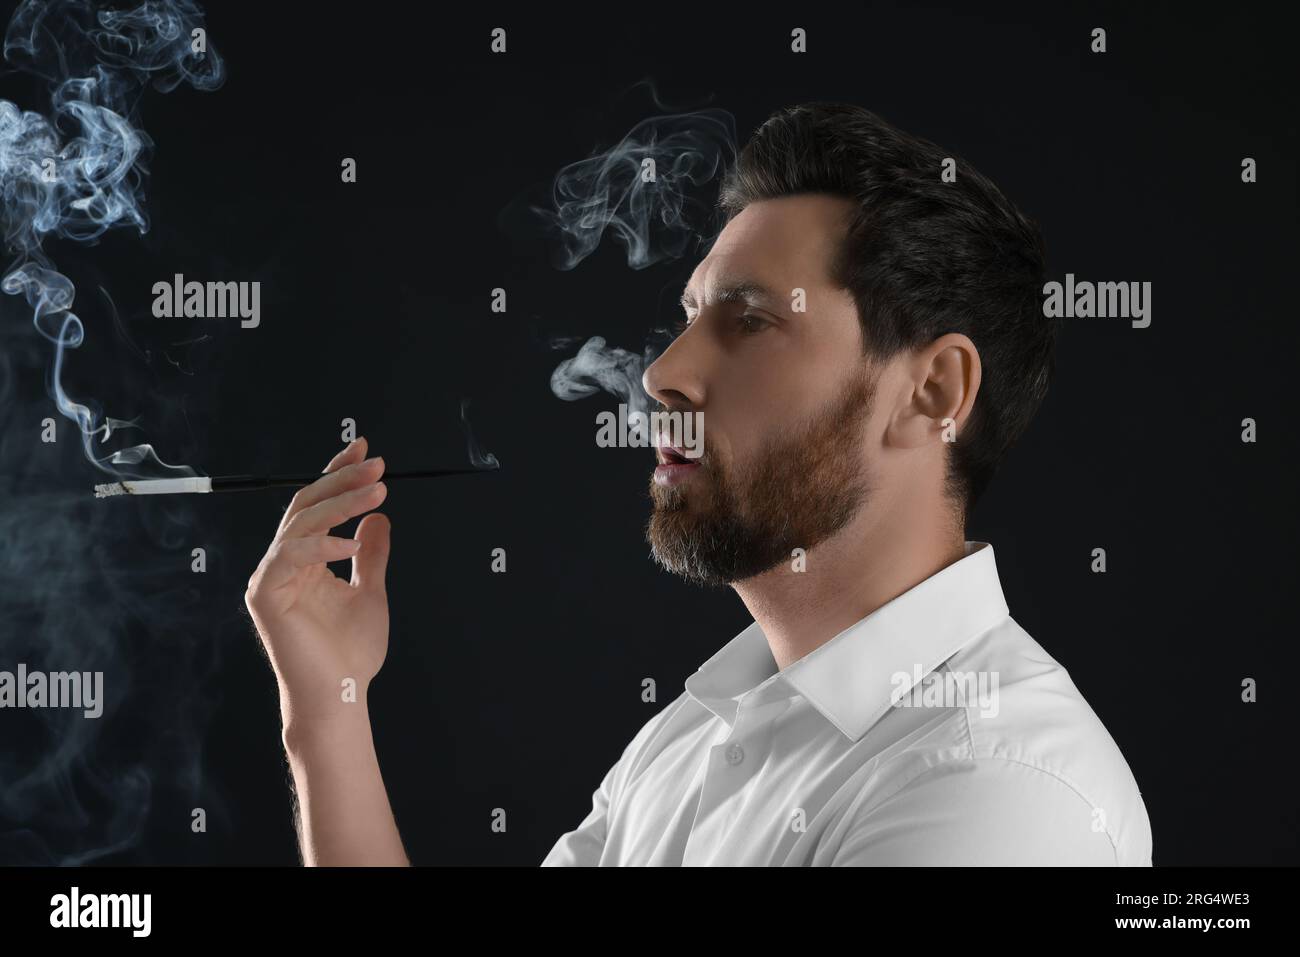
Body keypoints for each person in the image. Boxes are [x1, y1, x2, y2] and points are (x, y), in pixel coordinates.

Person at [245, 103, 1152, 866]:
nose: (661, 374)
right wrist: (327, 710)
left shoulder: (995, 793)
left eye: (749, 321)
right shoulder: (694, 737)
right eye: (686, 319)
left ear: (932, 393)